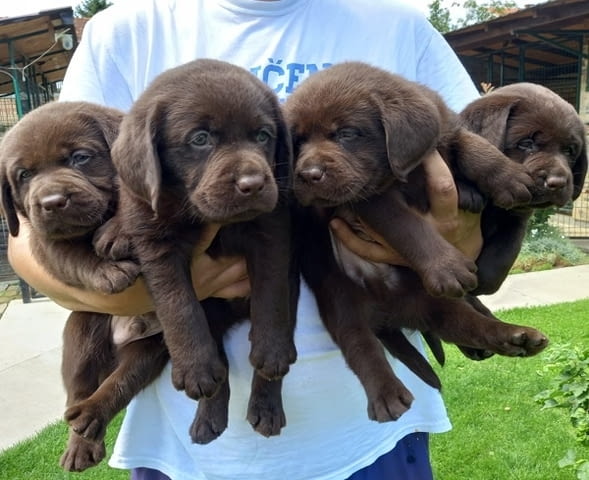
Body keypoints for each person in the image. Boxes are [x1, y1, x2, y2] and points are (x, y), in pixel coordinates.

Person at [7, 0, 483, 479]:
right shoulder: (124, 31)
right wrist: (149, 290)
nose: (252, 172)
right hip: (185, 447)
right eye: (199, 140)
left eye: (262, 137)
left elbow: (473, 169)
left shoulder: (401, 26)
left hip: (370, 431)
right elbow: (33, 244)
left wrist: (458, 240)